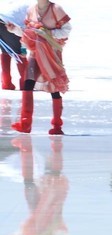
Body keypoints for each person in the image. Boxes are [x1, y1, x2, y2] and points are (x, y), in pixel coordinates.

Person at [6, 0, 69, 135]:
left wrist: (47, 33)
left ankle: (57, 125)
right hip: (35, 53)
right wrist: (14, 29)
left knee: (54, 88)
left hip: (51, 54)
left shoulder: (56, 9)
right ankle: (25, 123)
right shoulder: (31, 10)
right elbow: (27, 32)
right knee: (28, 83)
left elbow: (66, 31)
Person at [1, 3, 28, 91]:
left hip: (3, 19)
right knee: (19, 53)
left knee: (5, 51)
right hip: (9, 24)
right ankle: (25, 83)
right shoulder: (35, 8)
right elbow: (24, 33)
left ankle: (6, 83)